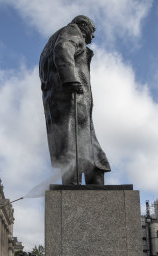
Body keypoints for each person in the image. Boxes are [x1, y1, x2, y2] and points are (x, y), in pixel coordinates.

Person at [39, 15, 111, 185]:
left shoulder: (51, 40)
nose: (92, 37)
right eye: (92, 31)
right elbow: (63, 48)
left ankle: (79, 182)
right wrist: (71, 79)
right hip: (72, 99)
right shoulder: (71, 32)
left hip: (60, 101)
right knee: (77, 143)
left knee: (74, 144)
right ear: (83, 25)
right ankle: (85, 183)